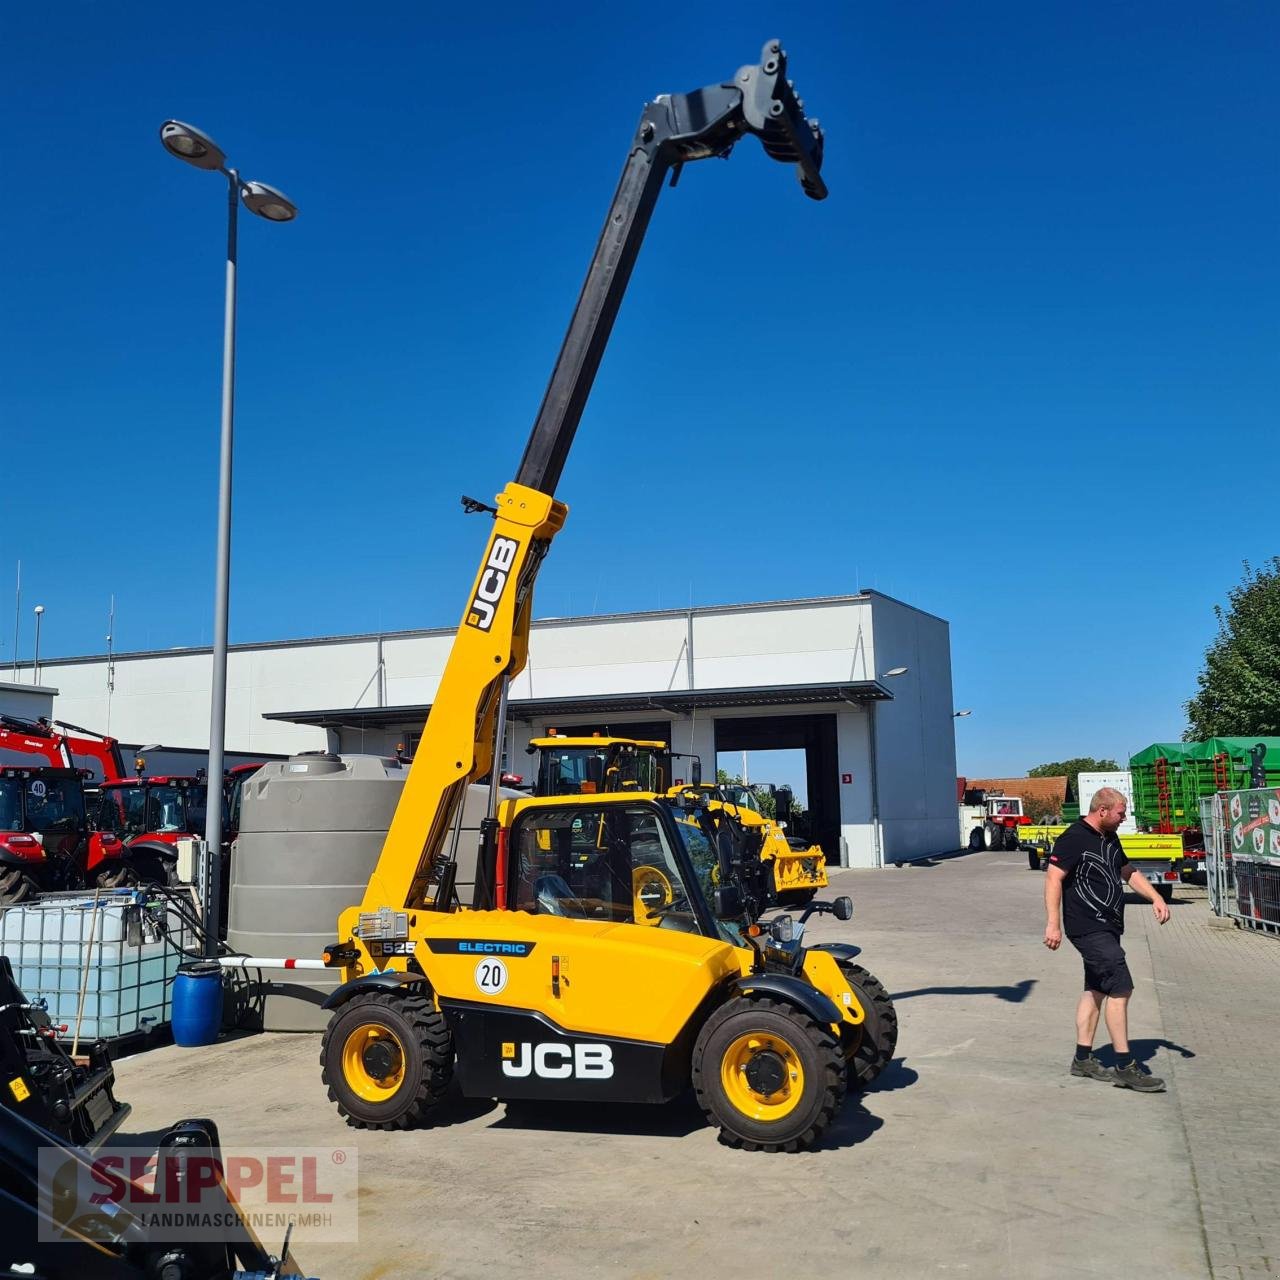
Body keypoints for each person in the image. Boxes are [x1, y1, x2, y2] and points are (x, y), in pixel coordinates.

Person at [1043, 786, 1170, 1092]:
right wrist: (1052, 924)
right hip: (1087, 927)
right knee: (1121, 986)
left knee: (1096, 990)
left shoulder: (1109, 837)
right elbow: (1053, 877)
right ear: (1102, 810)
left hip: (1108, 926)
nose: (1123, 817)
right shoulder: (1074, 837)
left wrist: (1155, 896)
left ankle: (1083, 1059)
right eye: (1120, 812)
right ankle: (1125, 1066)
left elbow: (1128, 871)